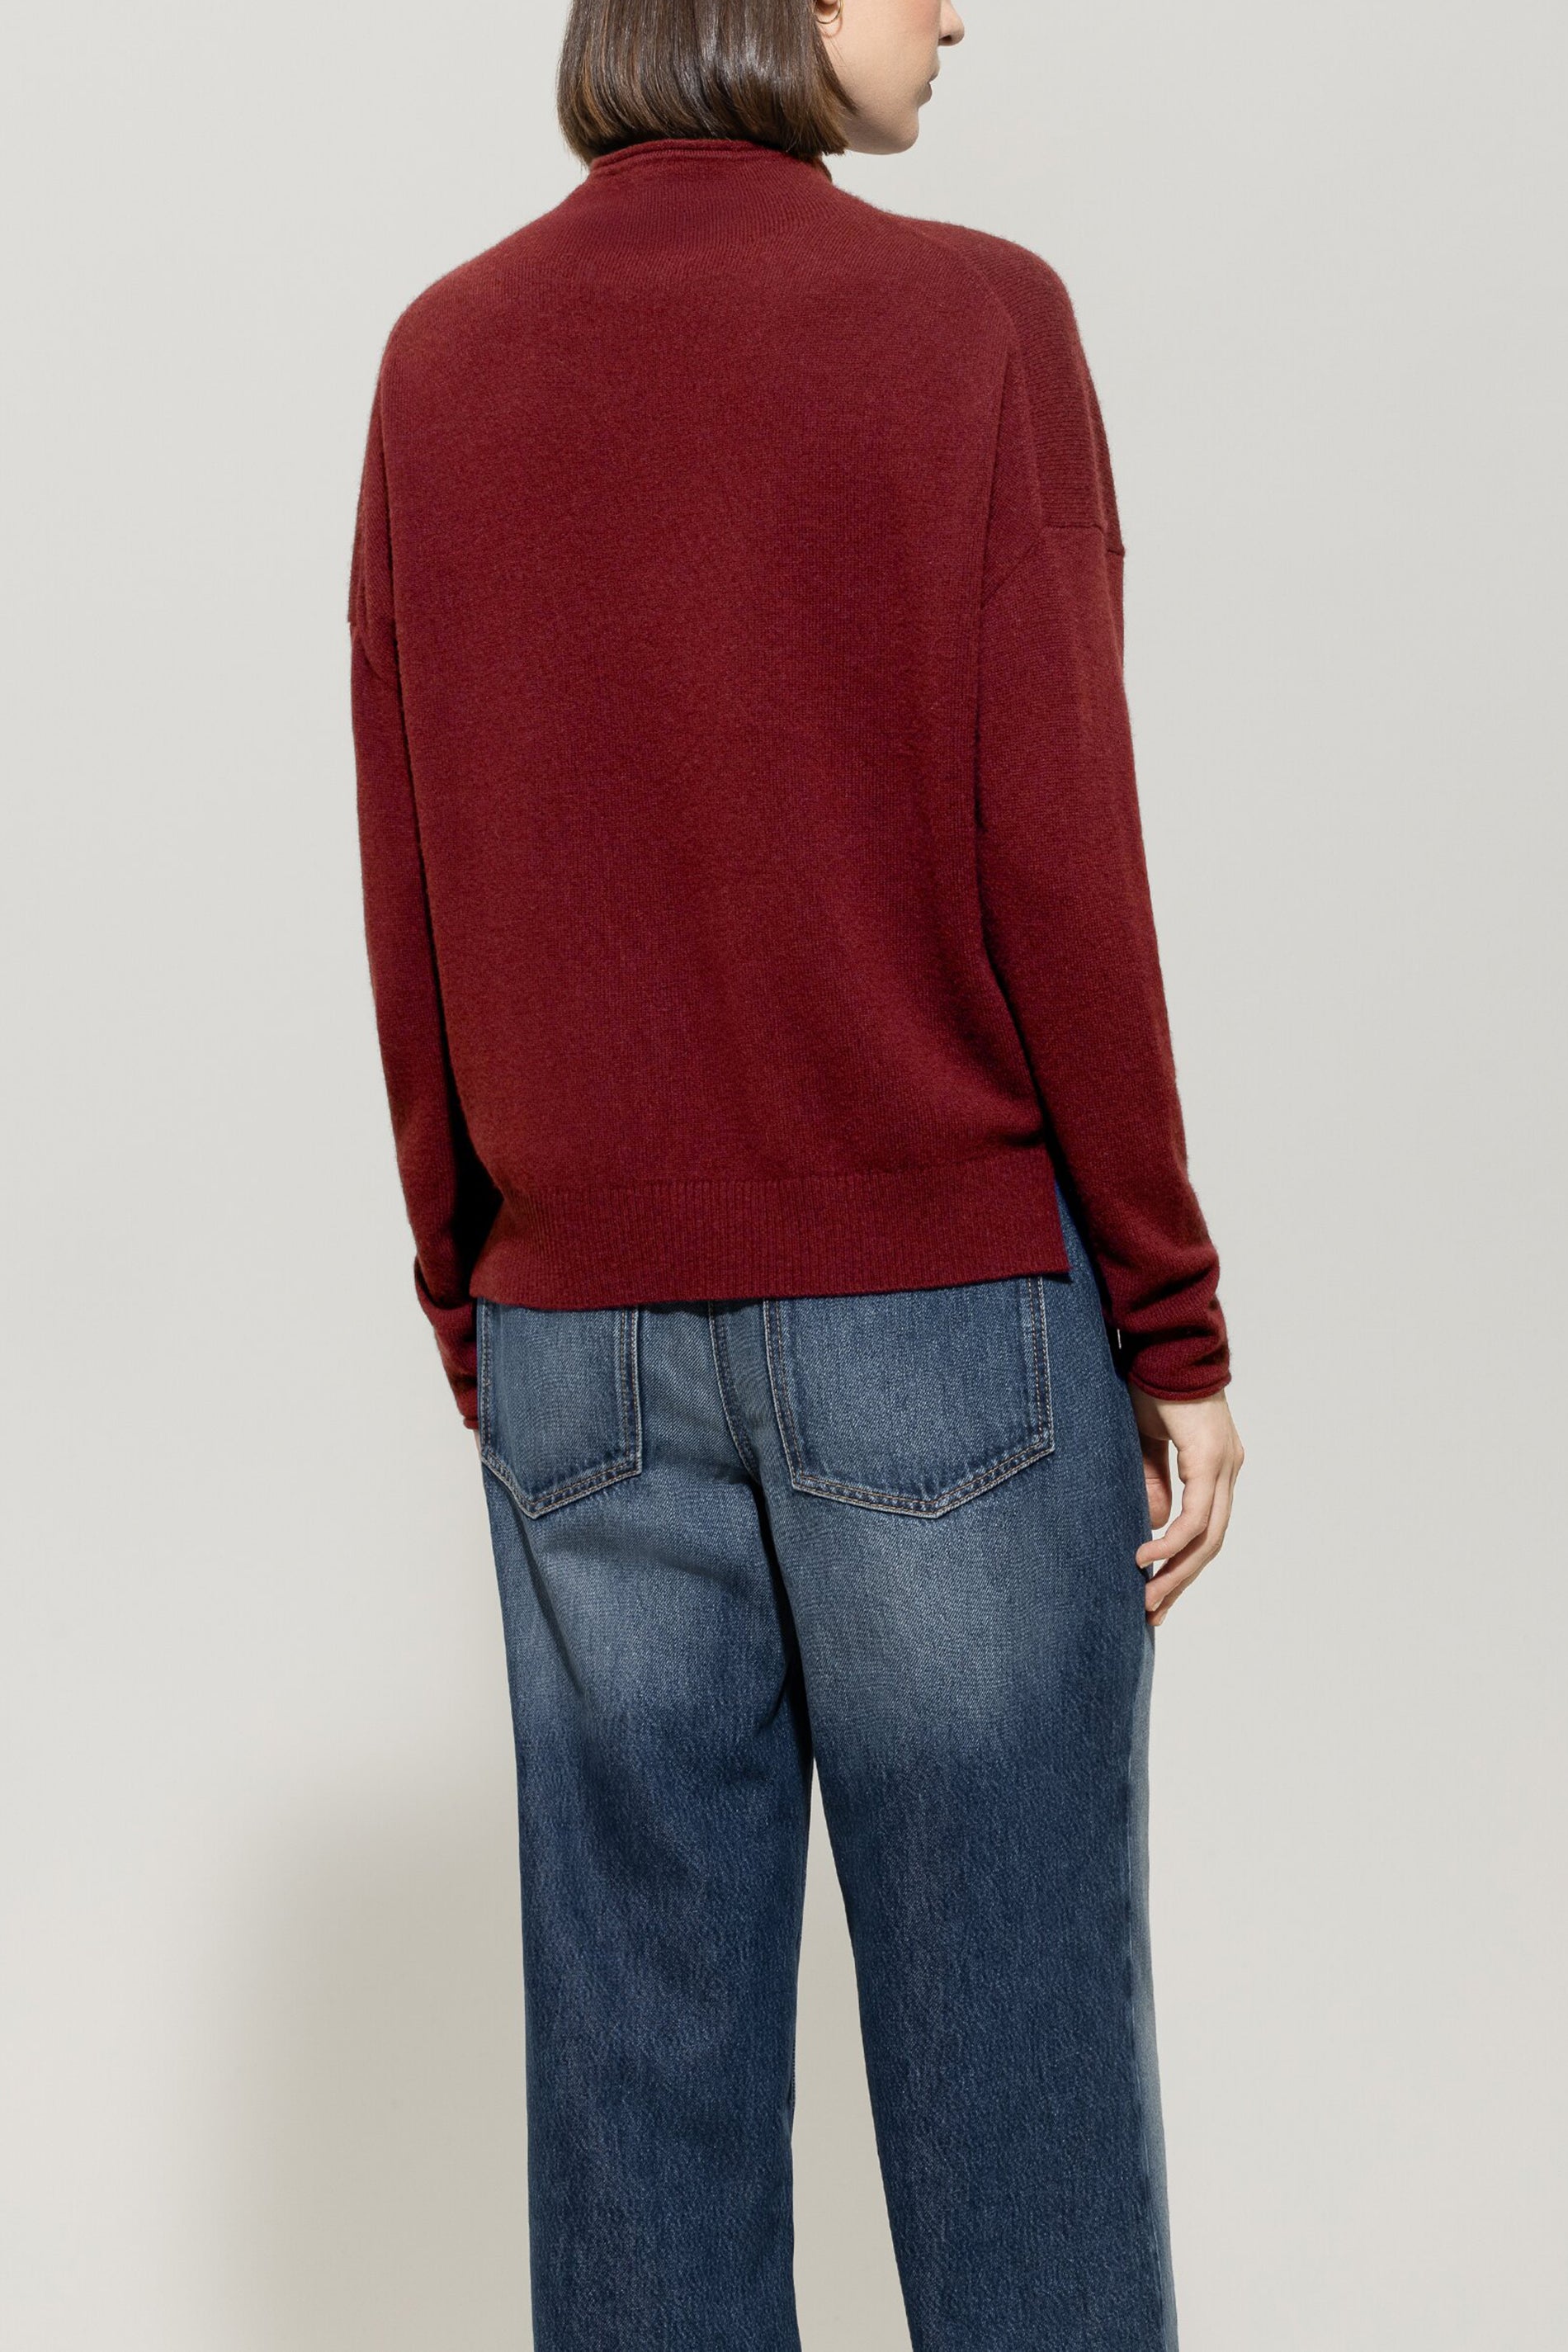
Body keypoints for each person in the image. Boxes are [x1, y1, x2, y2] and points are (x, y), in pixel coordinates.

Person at [347, 2, 1244, 2344]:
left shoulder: (444, 362)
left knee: (636, 2131)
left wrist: (475, 1289)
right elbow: (1061, 847)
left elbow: (409, 865)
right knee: (1019, 2111)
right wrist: (1169, 1314)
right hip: (944, 1329)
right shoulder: (974, 327)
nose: (955, 10)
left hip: (579, 1350)